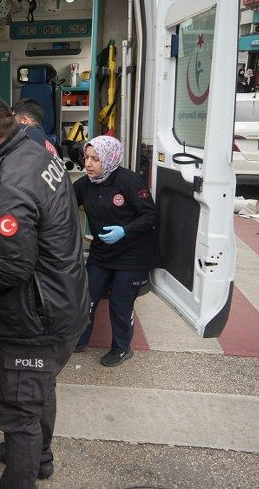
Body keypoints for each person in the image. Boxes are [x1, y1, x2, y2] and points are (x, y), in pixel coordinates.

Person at [0, 95, 88, 488]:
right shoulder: (37, 153)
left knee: (19, 410)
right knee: (39, 391)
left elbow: (9, 265)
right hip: (62, 300)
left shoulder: (7, 183)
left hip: (34, 319)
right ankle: (38, 456)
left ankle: (24, 468)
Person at [72, 137, 160, 364]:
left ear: (109, 159)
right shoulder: (85, 184)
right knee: (86, 297)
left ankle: (122, 348)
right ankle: (79, 340)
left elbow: (151, 216)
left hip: (133, 253)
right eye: (86, 157)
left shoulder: (129, 182)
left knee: (120, 302)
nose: (88, 163)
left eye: (95, 159)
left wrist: (125, 230)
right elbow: (61, 202)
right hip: (103, 252)